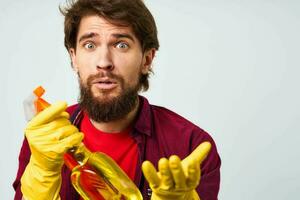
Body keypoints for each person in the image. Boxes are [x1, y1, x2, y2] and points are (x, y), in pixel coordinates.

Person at [13, 0, 221, 199]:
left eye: (121, 45)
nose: (104, 62)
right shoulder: (45, 137)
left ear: (146, 59)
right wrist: (40, 178)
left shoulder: (191, 147)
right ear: (74, 57)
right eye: (90, 45)